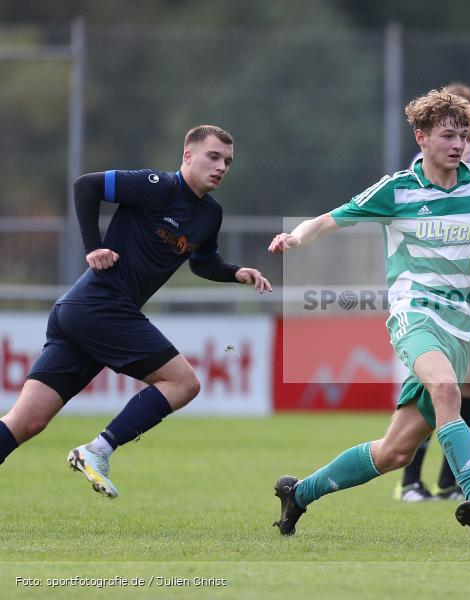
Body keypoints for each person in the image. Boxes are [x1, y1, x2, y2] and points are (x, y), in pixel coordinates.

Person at [269, 89, 470, 538]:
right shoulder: (397, 189)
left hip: (462, 324)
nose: (457, 144)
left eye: (462, 135)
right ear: (422, 136)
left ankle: (300, 494)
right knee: (448, 389)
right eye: (447, 135)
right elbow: (331, 219)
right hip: (415, 315)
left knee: (395, 453)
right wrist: (296, 238)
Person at [0, 125, 272, 498]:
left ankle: (96, 450)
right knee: (184, 383)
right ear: (188, 156)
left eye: (227, 161)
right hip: (100, 305)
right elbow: (86, 186)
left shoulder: (210, 215)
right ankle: (98, 450)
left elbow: (202, 263)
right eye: (213, 156)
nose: (222, 166)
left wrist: (235, 273)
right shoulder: (157, 185)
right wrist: (93, 247)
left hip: (83, 314)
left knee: (26, 421)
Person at [397, 82, 470, 502]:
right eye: (457, 124)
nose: (466, 130)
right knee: (435, 385)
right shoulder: (423, 165)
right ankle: (410, 480)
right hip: (437, 284)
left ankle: (449, 482)